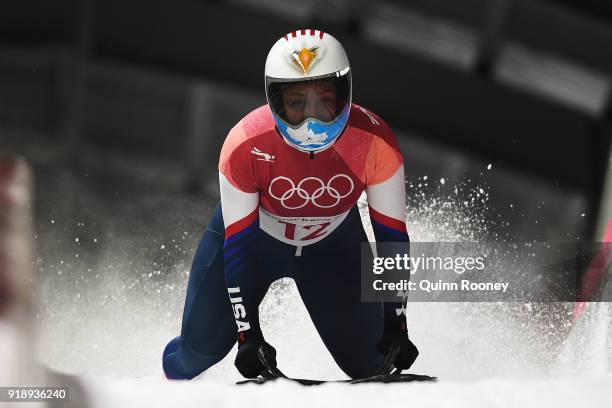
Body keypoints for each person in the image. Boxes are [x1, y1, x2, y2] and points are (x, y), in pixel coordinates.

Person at [162, 29, 418, 380]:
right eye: (297, 104)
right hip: (255, 244)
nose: (312, 121)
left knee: (373, 363)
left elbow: (392, 240)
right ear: (274, 101)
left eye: (325, 100)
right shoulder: (244, 144)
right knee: (195, 356)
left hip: (332, 251)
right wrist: (247, 334)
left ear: (346, 94)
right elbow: (238, 245)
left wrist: (397, 324)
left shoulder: (376, 143)